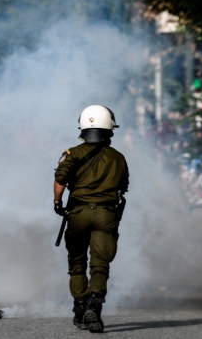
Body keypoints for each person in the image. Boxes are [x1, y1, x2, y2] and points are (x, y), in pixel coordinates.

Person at [54, 105, 129, 333]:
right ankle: (94, 307)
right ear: (109, 129)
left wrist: (58, 203)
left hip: (78, 213)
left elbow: (60, 180)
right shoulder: (118, 158)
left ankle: (79, 307)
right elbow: (122, 188)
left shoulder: (72, 153)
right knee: (100, 263)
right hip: (106, 214)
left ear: (83, 128)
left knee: (77, 262)